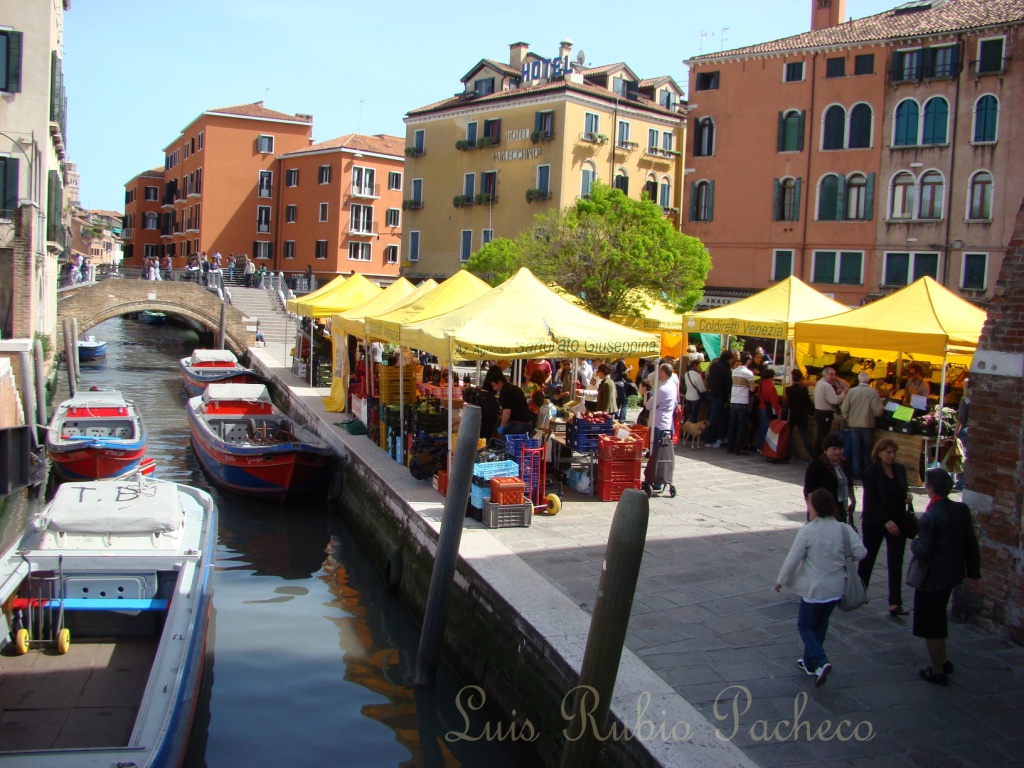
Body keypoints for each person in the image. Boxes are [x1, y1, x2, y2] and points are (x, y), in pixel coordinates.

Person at [775, 488, 866, 688]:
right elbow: (861, 552)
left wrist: (781, 580)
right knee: (821, 624)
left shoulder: (808, 531)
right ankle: (809, 663)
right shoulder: (844, 529)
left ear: (813, 507)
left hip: (814, 589)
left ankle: (820, 660)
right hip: (836, 588)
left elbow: (793, 559)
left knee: (805, 626)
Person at [911, 468, 981, 686]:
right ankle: (944, 660)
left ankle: (937, 669)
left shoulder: (930, 516)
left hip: (932, 576)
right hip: (951, 572)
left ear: (931, 489)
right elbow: (971, 544)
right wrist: (974, 573)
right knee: (939, 617)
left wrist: (914, 541)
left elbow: (922, 550)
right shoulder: (961, 509)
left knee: (932, 624)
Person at [858, 437, 912, 617]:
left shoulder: (900, 469)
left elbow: (903, 489)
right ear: (879, 453)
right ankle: (859, 592)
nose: (891, 456)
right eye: (888, 452)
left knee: (896, 561)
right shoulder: (871, 473)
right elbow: (870, 503)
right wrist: (885, 521)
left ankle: (895, 602)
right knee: (868, 558)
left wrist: (907, 497)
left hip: (898, 520)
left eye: (893, 452)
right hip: (876, 522)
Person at [804, 432, 856, 526]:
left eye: (840, 448)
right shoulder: (816, 465)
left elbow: (849, 483)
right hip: (821, 511)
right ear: (826, 449)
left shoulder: (843, 463)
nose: (838, 452)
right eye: (834, 448)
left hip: (840, 509)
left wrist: (853, 500)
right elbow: (809, 490)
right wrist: (812, 511)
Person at [841, 371, 884, 480]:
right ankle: (866, 473)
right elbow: (878, 411)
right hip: (867, 424)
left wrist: (847, 418)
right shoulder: (873, 392)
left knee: (856, 450)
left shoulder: (852, 391)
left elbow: (844, 408)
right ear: (868, 380)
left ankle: (856, 473)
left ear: (859, 379)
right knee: (866, 450)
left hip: (853, 424)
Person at [813, 366, 848, 457]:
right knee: (823, 437)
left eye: (834, 375)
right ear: (825, 374)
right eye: (831, 374)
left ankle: (816, 457)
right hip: (825, 414)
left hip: (819, 412)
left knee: (820, 436)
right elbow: (835, 400)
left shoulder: (820, 383)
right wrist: (844, 392)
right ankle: (818, 457)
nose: (833, 377)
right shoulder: (826, 386)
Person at [726, 352, 756, 455]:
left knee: (732, 425)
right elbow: (752, 388)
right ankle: (738, 449)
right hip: (743, 401)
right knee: (741, 426)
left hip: (733, 400)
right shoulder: (748, 373)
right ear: (748, 361)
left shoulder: (734, 371)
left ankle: (730, 448)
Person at [706, 351, 734, 448]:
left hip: (710, 394)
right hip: (719, 396)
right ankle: (714, 439)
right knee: (717, 418)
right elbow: (728, 384)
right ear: (728, 359)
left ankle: (709, 439)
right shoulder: (725, 368)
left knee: (711, 417)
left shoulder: (714, 365)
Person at [493, 371, 534, 436]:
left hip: (517, 425)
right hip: (528, 423)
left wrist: (502, 426)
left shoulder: (505, 391)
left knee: (508, 444)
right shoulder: (514, 388)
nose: (494, 389)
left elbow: (507, 411)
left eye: (494, 385)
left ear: (499, 382)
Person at [786, 369, 814, 460]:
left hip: (792, 414)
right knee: (805, 437)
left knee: (789, 437)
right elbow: (808, 403)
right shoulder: (803, 390)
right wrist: (812, 412)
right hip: (802, 415)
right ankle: (812, 455)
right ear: (801, 379)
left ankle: (789, 454)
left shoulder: (788, 389)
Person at [756, 368, 781, 450]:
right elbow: (773, 399)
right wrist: (777, 410)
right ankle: (762, 447)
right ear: (770, 377)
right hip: (767, 409)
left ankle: (759, 446)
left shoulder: (761, 384)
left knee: (762, 428)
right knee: (766, 428)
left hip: (761, 407)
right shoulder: (770, 386)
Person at [952, 380, 970, 491]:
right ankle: (965, 483)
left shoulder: (964, 400)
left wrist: (955, 434)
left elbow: (960, 420)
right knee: (968, 457)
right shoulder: (976, 399)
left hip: (964, 431)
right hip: (973, 430)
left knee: (961, 457)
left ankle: (960, 483)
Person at [682, 358, 706, 423]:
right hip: (695, 398)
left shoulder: (686, 374)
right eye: (699, 365)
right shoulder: (697, 376)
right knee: (694, 417)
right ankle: (691, 431)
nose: (700, 367)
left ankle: (686, 429)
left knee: (687, 416)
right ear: (695, 366)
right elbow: (702, 389)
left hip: (688, 396)